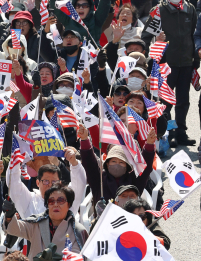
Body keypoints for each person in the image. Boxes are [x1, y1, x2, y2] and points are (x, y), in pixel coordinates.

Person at [144, 0, 197, 147]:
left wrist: (196, 60)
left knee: (183, 101)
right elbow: (146, 36)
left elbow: (195, 36)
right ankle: (169, 133)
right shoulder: (158, 10)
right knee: (166, 102)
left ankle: (181, 132)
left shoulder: (190, 9)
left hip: (186, 63)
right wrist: (154, 55)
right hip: (165, 65)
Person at [5, 184, 88, 261]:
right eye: (51, 201)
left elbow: (76, 259)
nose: (56, 204)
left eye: (61, 200)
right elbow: (14, 229)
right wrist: (9, 215)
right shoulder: (36, 222)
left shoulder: (78, 230)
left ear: (69, 204)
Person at [78, 124, 157, 202]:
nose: (117, 164)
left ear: (127, 165)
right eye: (113, 161)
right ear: (107, 164)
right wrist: (85, 139)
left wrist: (149, 143)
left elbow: (145, 169)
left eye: (121, 162)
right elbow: (89, 164)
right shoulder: (99, 179)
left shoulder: (133, 180)